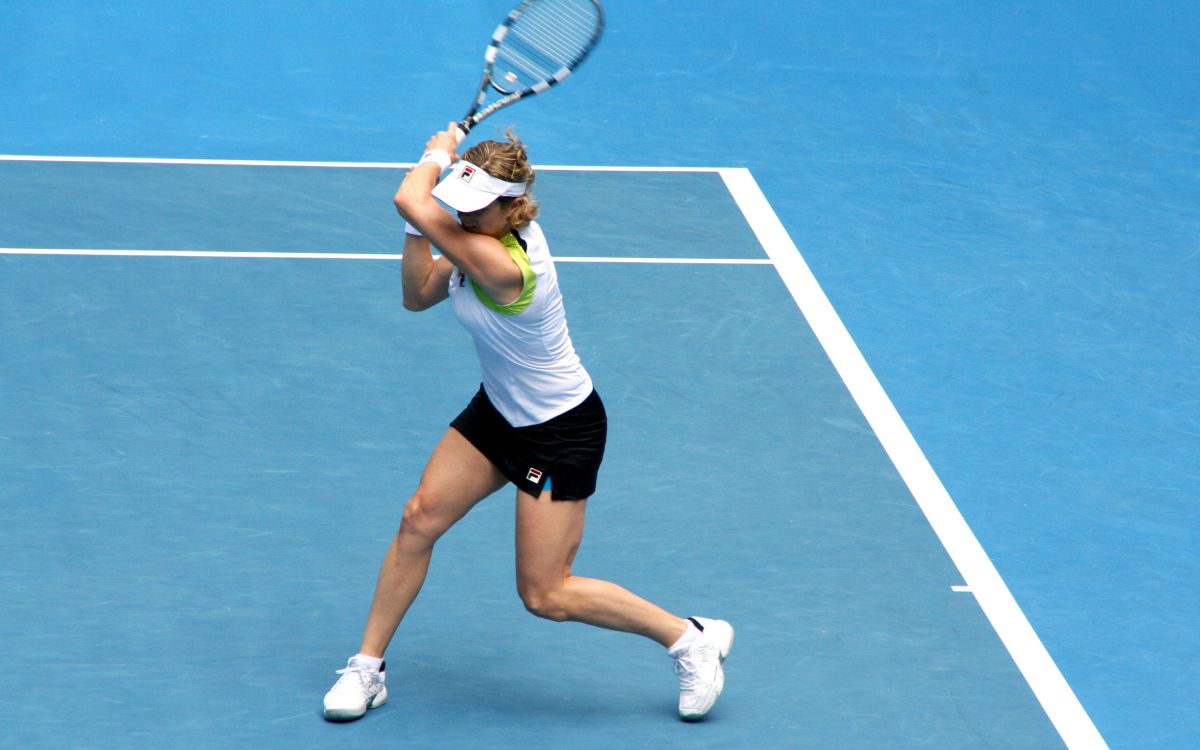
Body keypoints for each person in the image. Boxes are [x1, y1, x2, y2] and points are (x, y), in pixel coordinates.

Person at [322, 123, 733, 723]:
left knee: (545, 594)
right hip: (498, 411)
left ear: (513, 208)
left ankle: (688, 638)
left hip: (560, 431)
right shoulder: (476, 238)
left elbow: (409, 196)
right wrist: (418, 225)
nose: (463, 218)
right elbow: (417, 293)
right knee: (418, 519)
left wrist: (434, 156)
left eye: (476, 208)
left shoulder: (506, 267)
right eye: (459, 206)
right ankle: (367, 668)